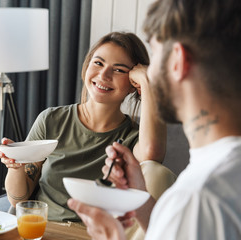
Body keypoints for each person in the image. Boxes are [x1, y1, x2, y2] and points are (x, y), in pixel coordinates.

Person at [68, 0, 241, 239]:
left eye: (155, 52)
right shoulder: (219, 180)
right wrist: (141, 199)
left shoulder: (197, 199)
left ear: (178, 61)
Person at [0, 32, 167, 223]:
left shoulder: (132, 138)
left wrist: (148, 82)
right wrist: (16, 167)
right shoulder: (51, 120)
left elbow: (152, 156)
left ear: (133, 84)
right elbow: (18, 199)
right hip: (43, 230)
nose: (104, 75)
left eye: (119, 70)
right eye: (98, 63)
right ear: (86, 67)